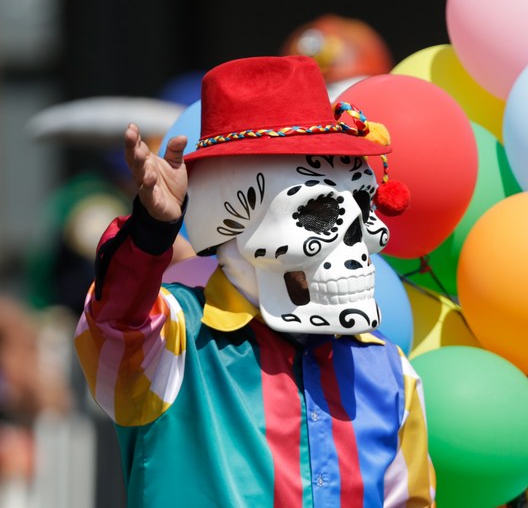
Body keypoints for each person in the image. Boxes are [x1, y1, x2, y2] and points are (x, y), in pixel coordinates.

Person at [73, 55, 435, 507]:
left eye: (364, 206)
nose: (361, 237)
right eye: (319, 211)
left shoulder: (390, 372)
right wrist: (149, 235)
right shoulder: (173, 343)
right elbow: (112, 331)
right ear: (236, 216)